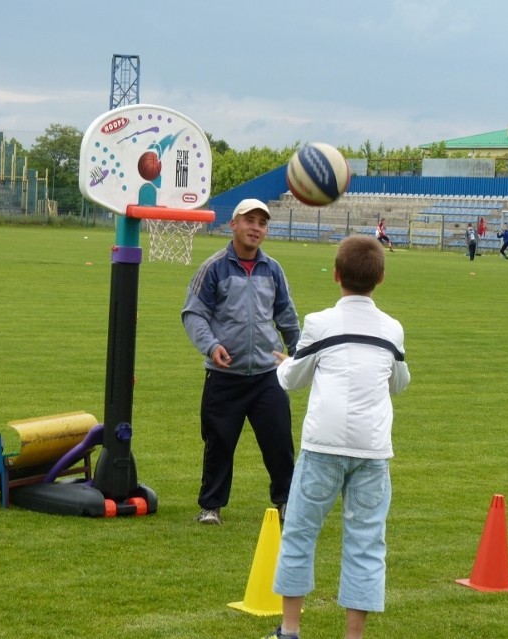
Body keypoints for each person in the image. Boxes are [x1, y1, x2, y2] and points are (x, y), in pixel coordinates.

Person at [264, 235, 411, 639]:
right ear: (380, 278)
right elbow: (399, 381)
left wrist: (287, 362)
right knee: (365, 542)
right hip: (372, 449)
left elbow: (293, 379)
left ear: (335, 275)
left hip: (322, 446)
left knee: (299, 533)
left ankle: (290, 631)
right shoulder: (392, 329)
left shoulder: (319, 323)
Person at [181, 198, 300, 526]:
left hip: (267, 374)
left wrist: (300, 354)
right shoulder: (214, 267)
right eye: (250, 220)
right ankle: (211, 507)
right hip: (224, 374)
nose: (256, 228)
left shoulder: (272, 269)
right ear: (233, 224)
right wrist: (211, 346)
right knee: (218, 442)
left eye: (262, 223)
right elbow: (194, 314)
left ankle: (286, 502)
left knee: (279, 443)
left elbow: (286, 317)